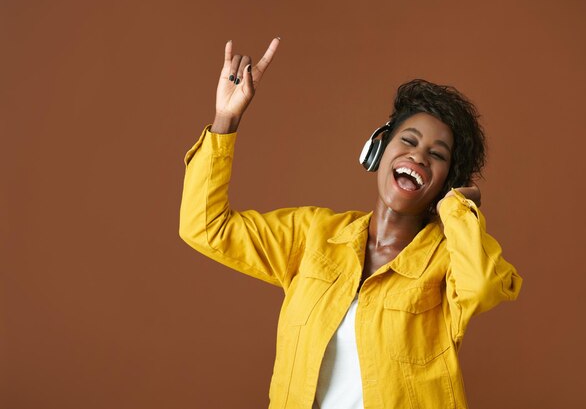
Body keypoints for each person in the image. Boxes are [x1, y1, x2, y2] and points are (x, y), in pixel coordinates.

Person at [179, 37, 522, 409]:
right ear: (378, 147)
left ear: (445, 181)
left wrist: (456, 208)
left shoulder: (448, 260)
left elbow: (483, 286)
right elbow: (205, 226)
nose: (418, 156)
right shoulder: (313, 235)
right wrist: (225, 120)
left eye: (436, 155)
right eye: (408, 140)